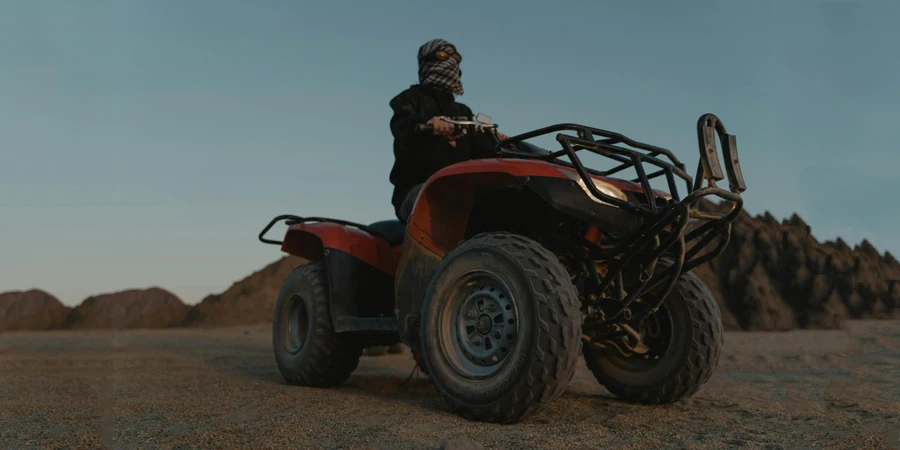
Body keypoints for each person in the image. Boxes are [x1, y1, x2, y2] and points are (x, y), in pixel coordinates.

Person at [388, 38, 508, 223]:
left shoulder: (463, 112)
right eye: (443, 56)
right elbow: (403, 126)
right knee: (448, 201)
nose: (451, 63)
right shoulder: (408, 100)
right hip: (419, 189)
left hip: (460, 188)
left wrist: (502, 144)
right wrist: (427, 124)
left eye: (455, 59)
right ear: (427, 61)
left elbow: (483, 148)